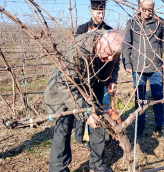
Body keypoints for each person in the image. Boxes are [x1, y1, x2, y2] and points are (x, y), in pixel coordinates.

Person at [44, 30, 123, 172]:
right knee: (63, 128)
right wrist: (86, 113)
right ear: (99, 42)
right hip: (65, 91)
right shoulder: (77, 51)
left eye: (115, 55)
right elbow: (65, 85)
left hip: (92, 86)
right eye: (109, 54)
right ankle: (58, 169)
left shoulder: (112, 48)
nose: (111, 58)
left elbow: (114, 65)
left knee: (98, 122)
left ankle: (97, 164)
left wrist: (111, 80)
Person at [122, 0, 164, 137]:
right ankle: (141, 123)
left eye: (149, 10)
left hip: (156, 67)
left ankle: (159, 125)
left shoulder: (159, 23)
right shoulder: (132, 23)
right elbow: (127, 45)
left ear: (153, 9)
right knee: (140, 96)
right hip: (138, 67)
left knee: (157, 96)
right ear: (139, 8)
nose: (146, 13)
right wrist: (127, 63)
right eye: (143, 9)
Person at [75, 0, 119, 147]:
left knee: (100, 108)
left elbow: (115, 62)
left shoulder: (109, 31)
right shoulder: (81, 30)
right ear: (91, 11)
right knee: (84, 108)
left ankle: (99, 138)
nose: (101, 15)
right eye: (98, 12)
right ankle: (84, 138)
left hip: (101, 79)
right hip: (84, 79)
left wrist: (112, 79)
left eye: (102, 12)